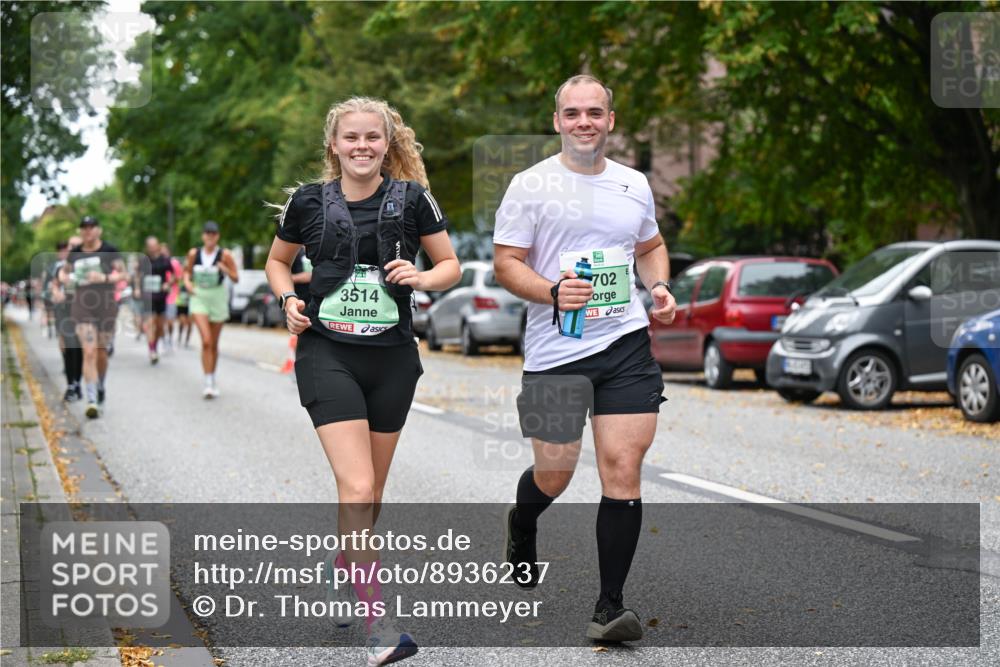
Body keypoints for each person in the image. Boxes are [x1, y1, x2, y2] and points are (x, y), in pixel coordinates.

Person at [265, 96, 459, 666]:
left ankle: (344, 564)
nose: (362, 147)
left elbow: (452, 266)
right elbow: (279, 262)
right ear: (334, 145)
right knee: (355, 487)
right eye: (351, 138)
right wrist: (287, 299)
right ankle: (379, 628)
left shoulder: (412, 198)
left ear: (387, 142)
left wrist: (421, 274)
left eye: (372, 137)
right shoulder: (308, 202)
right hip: (329, 354)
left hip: (393, 358)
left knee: (369, 495)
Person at [493, 74, 677, 642]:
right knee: (555, 473)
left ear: (610, 121)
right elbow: (506, 263)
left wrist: (660, 286)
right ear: (557, 122)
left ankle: (609, 608)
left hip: (624, 345)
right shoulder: (529, 185)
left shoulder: (633, 185)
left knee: (622, 469)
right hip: (555, 353)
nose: (583, 123)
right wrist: (551, 290)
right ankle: (523, 523)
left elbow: (648, 247)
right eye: (572, 113)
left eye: (594, 113)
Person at [63, 216, 126, 418]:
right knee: (88, 351)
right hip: (82, 304)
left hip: (106, 304)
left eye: (91, 227)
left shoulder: (110, 250)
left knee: (101, 352)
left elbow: (124, 275)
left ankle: (100, 386)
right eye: (84, 228)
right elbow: (63, 274)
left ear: (99, 230)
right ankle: (91, 400)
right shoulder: (75, 254)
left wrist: (105, 277)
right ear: (80, 231)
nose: (88, 231)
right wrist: (67, 280)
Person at [184, 221, 238, 398]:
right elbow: (186, 272)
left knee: (213, 344)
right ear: (203, 236)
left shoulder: (225, 255)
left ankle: (212, 377)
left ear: (217, 236)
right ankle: (207, 382)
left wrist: (225, 269)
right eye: (207, 233)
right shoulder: (194, 253)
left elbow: (236, 277)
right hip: (199, 296)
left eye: (213, 233)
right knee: (206, 340)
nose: (210, 236)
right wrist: (187, 284)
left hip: (217, 296)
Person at [49, 238, 83, 401]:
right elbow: (54, 284)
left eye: (77, 245)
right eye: (71, 246)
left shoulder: (86, 262)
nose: (74, 248)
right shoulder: (61, 265)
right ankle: (71, 385)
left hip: (84, 309)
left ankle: (77, 383)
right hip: (64, 308)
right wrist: (57, 293)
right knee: (69, 347)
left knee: (81, 347)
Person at [138, 236, 173, 364]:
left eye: (154, 245)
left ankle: (155, 346)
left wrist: (168, 284)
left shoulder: (165, 260)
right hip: (148, 297)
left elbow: (174, 274)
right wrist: (137, 288)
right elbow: (137, 275)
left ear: (157, 246)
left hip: (161, 296)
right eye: (150, 246)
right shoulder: (143, 260)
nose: (152, 248)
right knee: (150, 323)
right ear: (147, 247)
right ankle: (152, 350)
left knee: (159, 327)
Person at [161, 244, 183, 350]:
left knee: (170, 321)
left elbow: (179, 278)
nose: (163, 253)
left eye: (164, 251)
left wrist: (170, 283)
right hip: (159, 296)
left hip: (172, 295)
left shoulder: (175, 263)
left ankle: (169, 337)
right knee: (160, 320)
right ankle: (163, 338)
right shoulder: (158, 263)